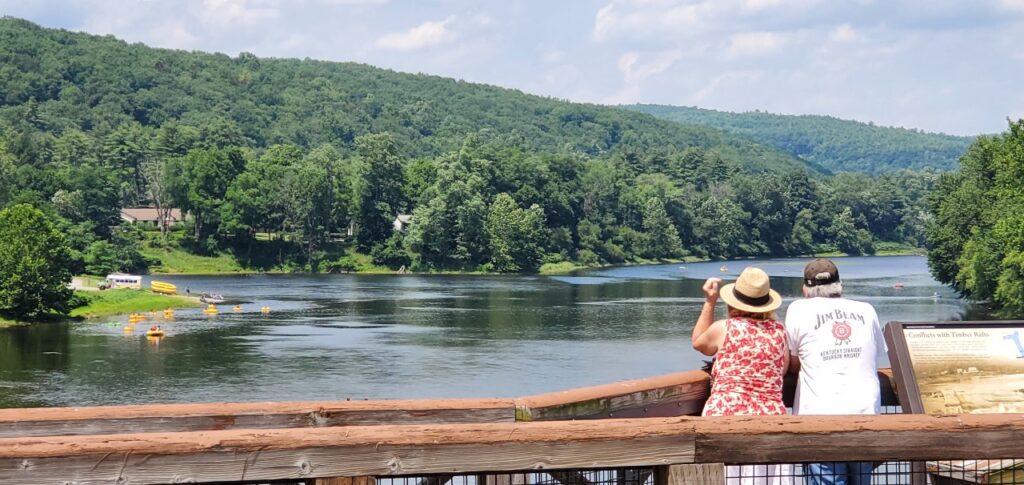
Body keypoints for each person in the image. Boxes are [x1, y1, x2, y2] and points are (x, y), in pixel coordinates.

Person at [785, 258, 887, 485]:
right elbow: (875, 353)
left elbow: (792, 364)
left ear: (806, 288)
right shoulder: (866, 310)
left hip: (820, 421)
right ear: (840, 285)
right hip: (866, 416)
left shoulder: (798, 309)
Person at [692, 267, 789, 484]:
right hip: (770, 422)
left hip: (725, 419)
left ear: (734, 301)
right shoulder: (779, 331)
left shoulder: (724, 328)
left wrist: (710, 301)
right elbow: (781, 370)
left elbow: (698, 342)